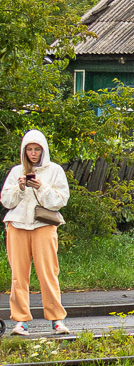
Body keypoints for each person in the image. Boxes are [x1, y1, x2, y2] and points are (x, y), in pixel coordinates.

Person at [2, 130, 70, 336]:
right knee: (18, 276)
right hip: (17, 225)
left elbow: (61, 200)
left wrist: (41, 187)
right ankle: (21, 321)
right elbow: (6, 201)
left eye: (37, 149)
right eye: (29, 149)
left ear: (43, 150)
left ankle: (57, 319)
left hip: (44, 225)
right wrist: (20, 188)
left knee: (48, 273)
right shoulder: (16, 172)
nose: (33, 153)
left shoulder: (55, 171)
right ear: (24, 151)